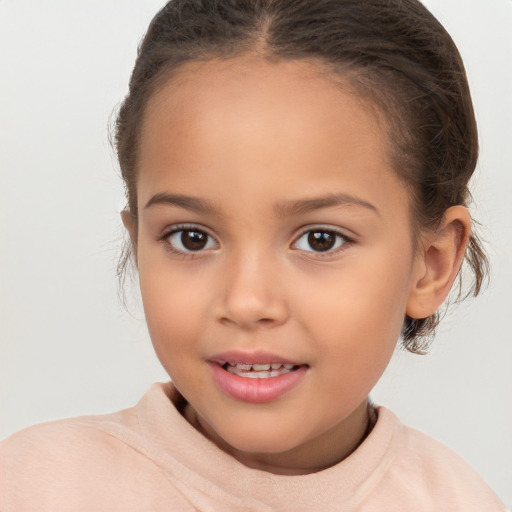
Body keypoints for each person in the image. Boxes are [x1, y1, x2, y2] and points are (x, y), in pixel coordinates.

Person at [0, 0, 507, 510]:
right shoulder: (33, 486)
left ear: (432, 264)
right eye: (191, 238)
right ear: (138, 244)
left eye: (320, 240)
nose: (246, 302)